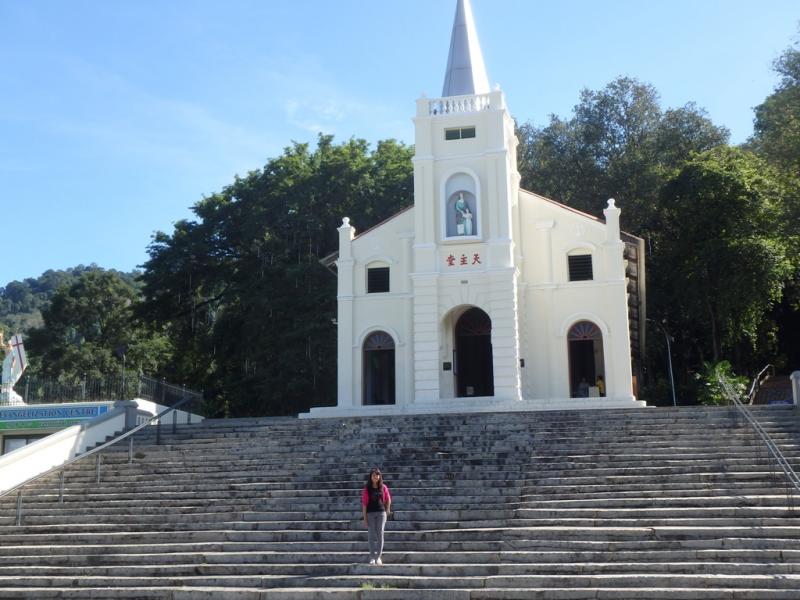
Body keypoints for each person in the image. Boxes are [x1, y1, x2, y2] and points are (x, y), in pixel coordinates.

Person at [361, 467, 391, 565]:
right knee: (371, 535)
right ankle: (372, 557)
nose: (375, 477)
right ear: (371, 477)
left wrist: (387, 511)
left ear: (379, 476)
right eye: (373, 475)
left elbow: (388, 499)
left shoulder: (383, 487)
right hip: (370, 514)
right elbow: (364, 504)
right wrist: (365, 518)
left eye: (377, 475)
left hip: (381, 513)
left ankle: (378, 557)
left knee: (380, 534)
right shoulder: (367, 488)